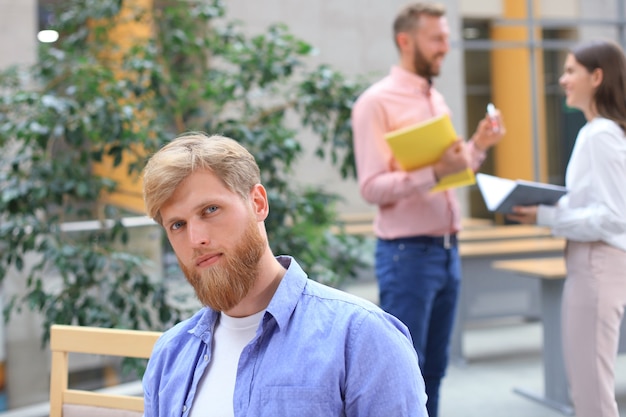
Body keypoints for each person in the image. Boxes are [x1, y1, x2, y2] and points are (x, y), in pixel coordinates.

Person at [140, 132, 429, 417]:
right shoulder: (170, 354)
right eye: (177, 225)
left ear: (258, 204)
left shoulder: (360, 337)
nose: (196, 239)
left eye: (210, 209)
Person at [350, 3, 505, 416]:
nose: (445, 48)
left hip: (446, 250)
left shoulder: (434, 98)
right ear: (406, 41)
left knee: (434, 370)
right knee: (403, 372)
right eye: (437, 39)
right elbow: (371, 187)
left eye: (447, 38)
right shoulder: (375, 103)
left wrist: (479, 146)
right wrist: (435, 170)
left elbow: (453, 172)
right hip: (407, 256)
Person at [507, 39, 626, 417]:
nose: (563, 79)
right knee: (588, 385)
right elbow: (593, 204)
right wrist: (545, 208)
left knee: (591, 392)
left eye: (571, 70)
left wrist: (546, 217)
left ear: (597, 76)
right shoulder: (597, 132)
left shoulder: (601, 134)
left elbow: (615, 215)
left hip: (596, 264)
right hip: (592, 263)